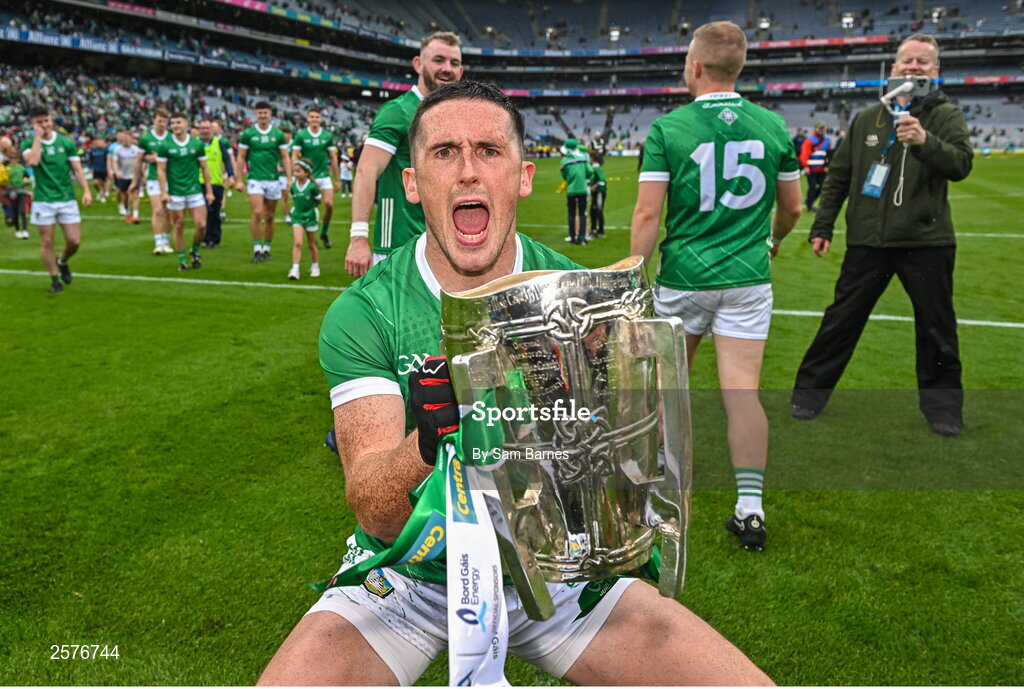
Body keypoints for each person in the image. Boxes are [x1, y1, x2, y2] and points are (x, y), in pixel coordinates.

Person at [257, 79, 772, 687]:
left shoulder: (582, 301)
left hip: (563, 569)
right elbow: (375, 508)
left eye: (490, 151)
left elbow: (643, 490)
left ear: (523, 177)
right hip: (411, 576)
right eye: (445, 153)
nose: (469, 172)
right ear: (414, 184)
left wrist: (609, 397)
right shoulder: (368, 311)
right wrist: (430, 438)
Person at [630, 21, 802, 551]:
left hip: (684, 276)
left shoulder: (669, 129)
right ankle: (749, 507)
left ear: (696, 66)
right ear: (739, 66)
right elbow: (793, 207)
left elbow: (646, 212)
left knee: (661, 394)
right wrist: (771, 242)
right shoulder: (774, 126)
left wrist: (634, 274)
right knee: (742, 394)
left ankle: (647, 502)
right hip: (747, 278)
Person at [790, 33, 973, 438]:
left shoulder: (945, 115)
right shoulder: (867, 118)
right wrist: (823, 226)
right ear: (893, 68)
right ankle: (807, 395)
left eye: (922, 62)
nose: (913, 68)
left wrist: (926, 141)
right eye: (906, 61)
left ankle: (944, 410)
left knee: (936, 327)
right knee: (841, 320)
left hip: (927, 242)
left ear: (935, 70)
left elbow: (961, 164)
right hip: (868, 241)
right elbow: (838, 177)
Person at [344, 31, 464, 277]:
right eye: (438, 60)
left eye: (454, 63)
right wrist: (358, 238)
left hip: (446, 245)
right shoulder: (398, 112)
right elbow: (366, 171)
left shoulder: (458, 117)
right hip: (398, 244)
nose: (447, 68)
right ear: (418, 64)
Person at [21, 104, 93, 293]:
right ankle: (54, 279)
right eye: (39, 122)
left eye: (46, 121)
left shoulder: (65, 142)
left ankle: (62, 261)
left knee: (74, 241)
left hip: (66, 198)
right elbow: (33, 161)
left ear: (51, 120)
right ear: (32, 124)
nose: (44, 125)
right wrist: (37, 138)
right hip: (43, 199)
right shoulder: (28, 143)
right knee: (46, 242)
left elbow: (77, 169)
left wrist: (86, 190)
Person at [156, 112, 215, 271]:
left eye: (178, 122)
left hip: (194, 191)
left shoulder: (196, 145)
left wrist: (209, 191)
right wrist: (164, 192)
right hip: (175, 192)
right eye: (173, 123)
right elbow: (161, 170)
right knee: (179, 225)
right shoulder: (165, 146)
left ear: (186, 124)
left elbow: (204, 167)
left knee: (201, 225)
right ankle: (182, 260)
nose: (175, 125)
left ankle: (195, 251)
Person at [236, 101, 291, 263]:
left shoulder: (278, 134)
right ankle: (256, 248)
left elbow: (285, 156)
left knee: (270, 216)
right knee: (257, 212)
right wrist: (239, 179)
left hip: (273, 179)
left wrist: (289, 177)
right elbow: (241, 157)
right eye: (260, 112)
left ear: (270, 114)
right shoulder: (248, 134)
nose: (262, 115)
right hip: (255, 179)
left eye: (265, 112)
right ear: (255, 113)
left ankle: (266, 247)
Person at [290, 107, 339, 249]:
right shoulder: (301, 135)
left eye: (317, 117)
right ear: (307, 119)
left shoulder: (327, 136)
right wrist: (296, 172)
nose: (314, 119)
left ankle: (324, 233)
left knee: (329, 204)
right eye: (312, 117)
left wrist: (337, 179)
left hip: (323, 176)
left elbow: (333, 158)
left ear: (321, 119)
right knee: (307, 204)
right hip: (308, 177)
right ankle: (306, 231)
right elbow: (294, 155)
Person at [131, 108, 173, 254]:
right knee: (157, 210)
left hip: (170, 179)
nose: (162, 124)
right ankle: (158, 242)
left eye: (165, 121)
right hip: (153, 178)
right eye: (160, 121)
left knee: (168, 211)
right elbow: (138, 160)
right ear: (154, 120)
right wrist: (135, 180)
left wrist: (160, 159)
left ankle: (166, 240)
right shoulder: (146, 139)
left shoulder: (171, 138)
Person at [198, 119, 235, 248]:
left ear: (211, 130)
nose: (205, 130)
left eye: (207, 128)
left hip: (216, 182)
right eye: (202, 128)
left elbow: (227, 160)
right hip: (200, 183)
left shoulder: (219, 144)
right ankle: (206, 238)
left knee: (215, 212)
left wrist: (231, 174)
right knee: (205, 211)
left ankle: (215, 237)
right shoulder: (196, 144)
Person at [286, 157, 321, 280]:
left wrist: (311, 209)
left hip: (311, 216)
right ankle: (295, 269)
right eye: (294, 171)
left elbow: (318, 200)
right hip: (297, 217)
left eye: (299, 171)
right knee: (298, 243)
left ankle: (315, 265)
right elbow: (296, 200)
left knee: (312, 244)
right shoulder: (293, 187)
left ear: (307, 173)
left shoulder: (312, 187)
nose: (296, 174)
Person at [560, 137, 591, 244]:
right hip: (582, 189)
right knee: (582, 213)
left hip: (571, 190)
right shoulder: (582, 158)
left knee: (571, 214)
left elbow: (564, 175)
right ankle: (582, 236)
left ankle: (573, 237)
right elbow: (590, 171)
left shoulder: (564, 161)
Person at [110, 130, 142, 224]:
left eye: (128, 138)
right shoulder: (118, 149)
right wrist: (116, 172)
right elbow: (114, 162)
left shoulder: (136, 149)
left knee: (135, 195)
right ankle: (127, 213)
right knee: (125, 196)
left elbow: (140, 161)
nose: (126, 141)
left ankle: (136, 215)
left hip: (134, 175)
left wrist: (141, 173)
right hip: (123, 175)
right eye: (124, 139)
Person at [799, 121, 830, 212]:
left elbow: (828, 154)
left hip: (822, 169)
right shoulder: (810, 140)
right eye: (820, 128)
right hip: (811, 169)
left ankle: (809, 201)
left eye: (823, 128)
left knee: (823, 187)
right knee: (812, 187)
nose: (821, 130)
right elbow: (804, 154)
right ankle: (810, 206)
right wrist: (805, 166)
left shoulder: (827, 140)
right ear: (815, 128)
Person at [5, 149, 31, 239]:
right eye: (12, 158)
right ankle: (17, 230)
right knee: (15, 211)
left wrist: (24, 182)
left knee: (22, 211)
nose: (13, 160)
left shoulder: (21, 168)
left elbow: (26, 177)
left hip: (21, 191)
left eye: (15, 158)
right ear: (9, 159)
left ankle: (25, 230)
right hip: (11, 192)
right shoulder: (6, 168)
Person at [85, 136, 110, 204]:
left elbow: (108, 159)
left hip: (103, 169)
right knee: (95, 183)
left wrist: (109, 168)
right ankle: (100, 192)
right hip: (96, 169)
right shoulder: (92, 150)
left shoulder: (105, 150)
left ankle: (103, 196)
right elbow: (90, 160)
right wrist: (90, 168)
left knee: (104, 183)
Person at [589, 151, 607, 238]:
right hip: (597, 193)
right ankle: (594, 230)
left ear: (592, 159)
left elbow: (602, 181)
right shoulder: (594, 168)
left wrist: (593, 187)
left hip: (599, 192)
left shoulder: (596, 169)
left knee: (598, 211)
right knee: (593, 211)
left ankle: (601, 231)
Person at [278, 124, 293, 225]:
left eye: (286, 134)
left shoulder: (294, 144)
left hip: (295, 174)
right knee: (284, 196)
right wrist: (276, 166)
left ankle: (294, 213)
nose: (285, 136)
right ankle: (287, 216)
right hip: (282, 175)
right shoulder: (278, 144)